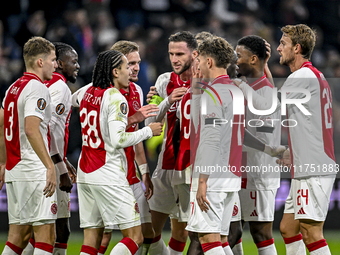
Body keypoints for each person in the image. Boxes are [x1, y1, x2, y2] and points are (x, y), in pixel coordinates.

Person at [235, 24, 336, 255]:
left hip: (314, 167)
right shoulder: (311, 75)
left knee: (312, 232)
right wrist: (294, 150)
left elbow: (267, 107)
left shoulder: (300, 77)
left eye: (283, 44)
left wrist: (241, 84)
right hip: (309, 162)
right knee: (288, 228)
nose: (279, 48)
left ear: (297, 48)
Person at [72, 50, 162, 255]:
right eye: (126, 67)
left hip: (85, 171)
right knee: (135, 236)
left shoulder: (87, 92)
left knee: (91, 239)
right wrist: (148, 131)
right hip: (107, 170)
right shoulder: (116, 97)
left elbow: (71, 100)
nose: (130, 71)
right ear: (115, 71)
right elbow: (118, 139)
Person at [186, 36, 245, 255]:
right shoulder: (235, 91)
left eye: (199, 60)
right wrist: (196, 90)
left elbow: (209, 138)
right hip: (231, 173)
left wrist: (202, 181)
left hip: (213, 176)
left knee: (208, 239)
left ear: (209, 62)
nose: (198, 65)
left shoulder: (214, 93)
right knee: (219, 240)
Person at [97, 40, 157, 255]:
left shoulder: (136, 91)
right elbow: (112, 134)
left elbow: (134, 135)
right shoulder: (102, 92)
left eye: (138, 62)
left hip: (129, 172)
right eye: (131, 63)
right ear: (117, 66)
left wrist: (145, 172)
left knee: (147, 232)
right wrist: (135, 119)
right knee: (104, 233)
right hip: (107, 170)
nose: (137, 68)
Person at [0, 36, 58, 255]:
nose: (56, 64)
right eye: (53, 59)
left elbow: (1, 124)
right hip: (34, 170)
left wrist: (3, 162)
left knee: (19, 236)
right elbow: (32, 129)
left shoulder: (13, 88)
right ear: (40, 62)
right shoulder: (37, 88)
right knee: (45, 237)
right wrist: (49, 166)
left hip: (16, 170)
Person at [22, 42, 79, 255]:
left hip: (30, 159)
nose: (78, 66)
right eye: (73, 61)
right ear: (60, 63)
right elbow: (49, 129)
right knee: (55, 230)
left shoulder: (32, 83)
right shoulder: (60, 87)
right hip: (47, 164)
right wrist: (60, 168)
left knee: (30, 231)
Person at [145, 31, 197, 255]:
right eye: (171, 54)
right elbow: (149, 122)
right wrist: (167, 101)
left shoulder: (206, 82)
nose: (174, 59)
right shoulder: (164, 80)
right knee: (148, 233)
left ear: (194, 54)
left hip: (190, 169)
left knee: (182, 233)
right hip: (165, 166)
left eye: (180, 54)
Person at [234, 35, 281, 255]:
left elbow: (261, 137)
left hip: (258, 173)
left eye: (238, 56)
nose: (235, 60)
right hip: (243, 171)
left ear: (253, 59)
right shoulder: (257, 86)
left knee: (260, 232)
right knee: (231, 231)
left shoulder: (261, 93)